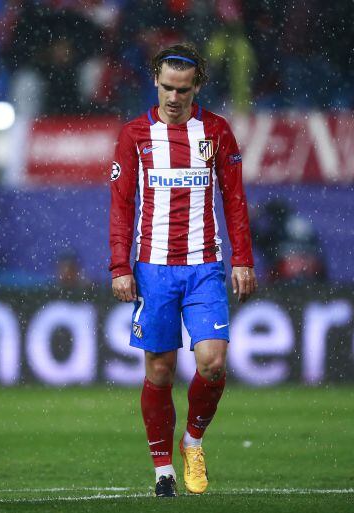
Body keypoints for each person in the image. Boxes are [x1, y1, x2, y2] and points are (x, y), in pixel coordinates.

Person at [109, 42, 256, 498]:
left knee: (212, 364)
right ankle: (162, 471)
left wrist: (243, 258)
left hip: (204, 266)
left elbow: (234, 197)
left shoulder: (216, 132)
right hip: (152, 269)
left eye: (183, 90)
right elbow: (121, 204)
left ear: (198, 87)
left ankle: (192, 441)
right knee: (159, 373)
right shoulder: (134, 134)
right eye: (167, 88)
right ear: (155, 81)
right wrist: (119, 265)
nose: (173, 98)